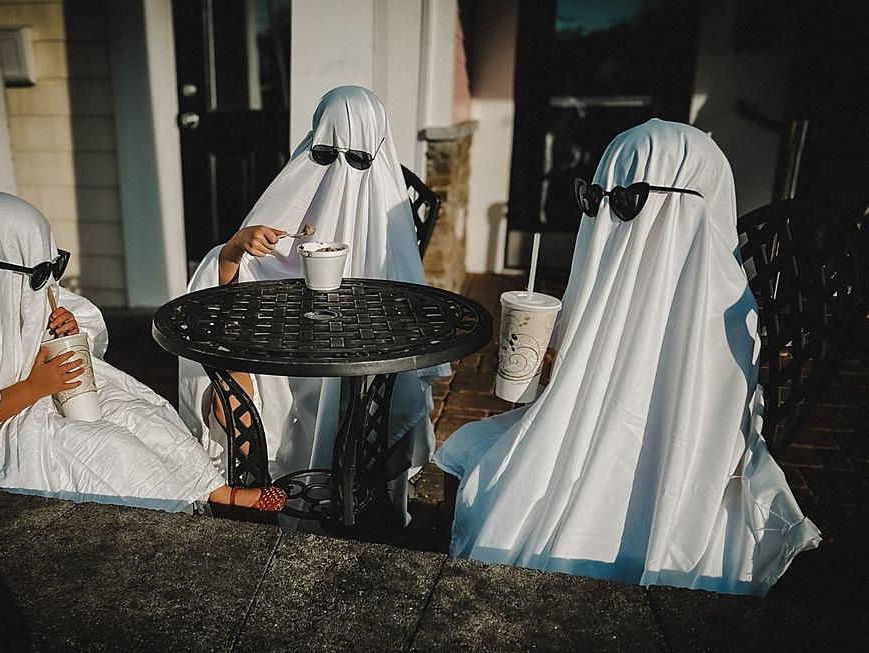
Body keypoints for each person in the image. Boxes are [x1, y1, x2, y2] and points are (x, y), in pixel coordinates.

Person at [434, 119, 821, 596]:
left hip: (668, 471)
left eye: (623, 202)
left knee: (487, 464)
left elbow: (701, 432)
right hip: (581, 427)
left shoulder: (717, 306)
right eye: (594, 200)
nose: (604, 219)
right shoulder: (647, 283)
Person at [178, 86, 449, 523]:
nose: (338, 172)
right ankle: (263, 494)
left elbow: (404, 305)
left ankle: (354, 494)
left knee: (371, 397)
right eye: (324, 154)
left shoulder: (385, 216)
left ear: (375, 151)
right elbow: (225, 287)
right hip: (281, 356)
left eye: (356, 159)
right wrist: (235, 248)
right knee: (237, 392)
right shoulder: (290, 200)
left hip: (359, 361)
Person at [0, 191, 286, 513]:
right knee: (107, 449)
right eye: (38, 276)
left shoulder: (35, 283)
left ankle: (215, 489)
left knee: (147, 418)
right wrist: (36, 386)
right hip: (4, 423)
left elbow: (84, 322)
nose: (48, 283)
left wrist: (69, 325)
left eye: (55, 267)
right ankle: (175, 504)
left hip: (55, 388)